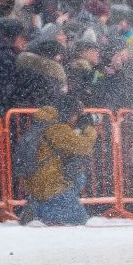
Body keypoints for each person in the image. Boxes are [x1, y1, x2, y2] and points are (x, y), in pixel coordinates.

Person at [22, 96, 98, 225]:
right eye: (76, 114)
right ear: (69, 113)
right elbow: (84, 146)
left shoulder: (45, 124)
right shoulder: (58, 129)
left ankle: (37, 206)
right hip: (50, 185)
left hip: (37, 182)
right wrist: (89, 128)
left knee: (78, 176)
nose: (76, 118)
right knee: (79, 219)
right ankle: (44, 211)